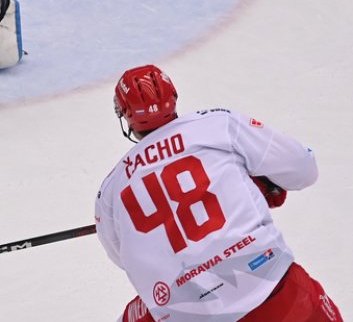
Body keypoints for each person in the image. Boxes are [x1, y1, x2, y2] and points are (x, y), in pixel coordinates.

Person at [95, 65, 343, 322]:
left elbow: (124, 259)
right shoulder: (217, 125)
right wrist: (260, 183)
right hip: (276, 294)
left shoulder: (110, 192)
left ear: (124, 114)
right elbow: (303, 169)